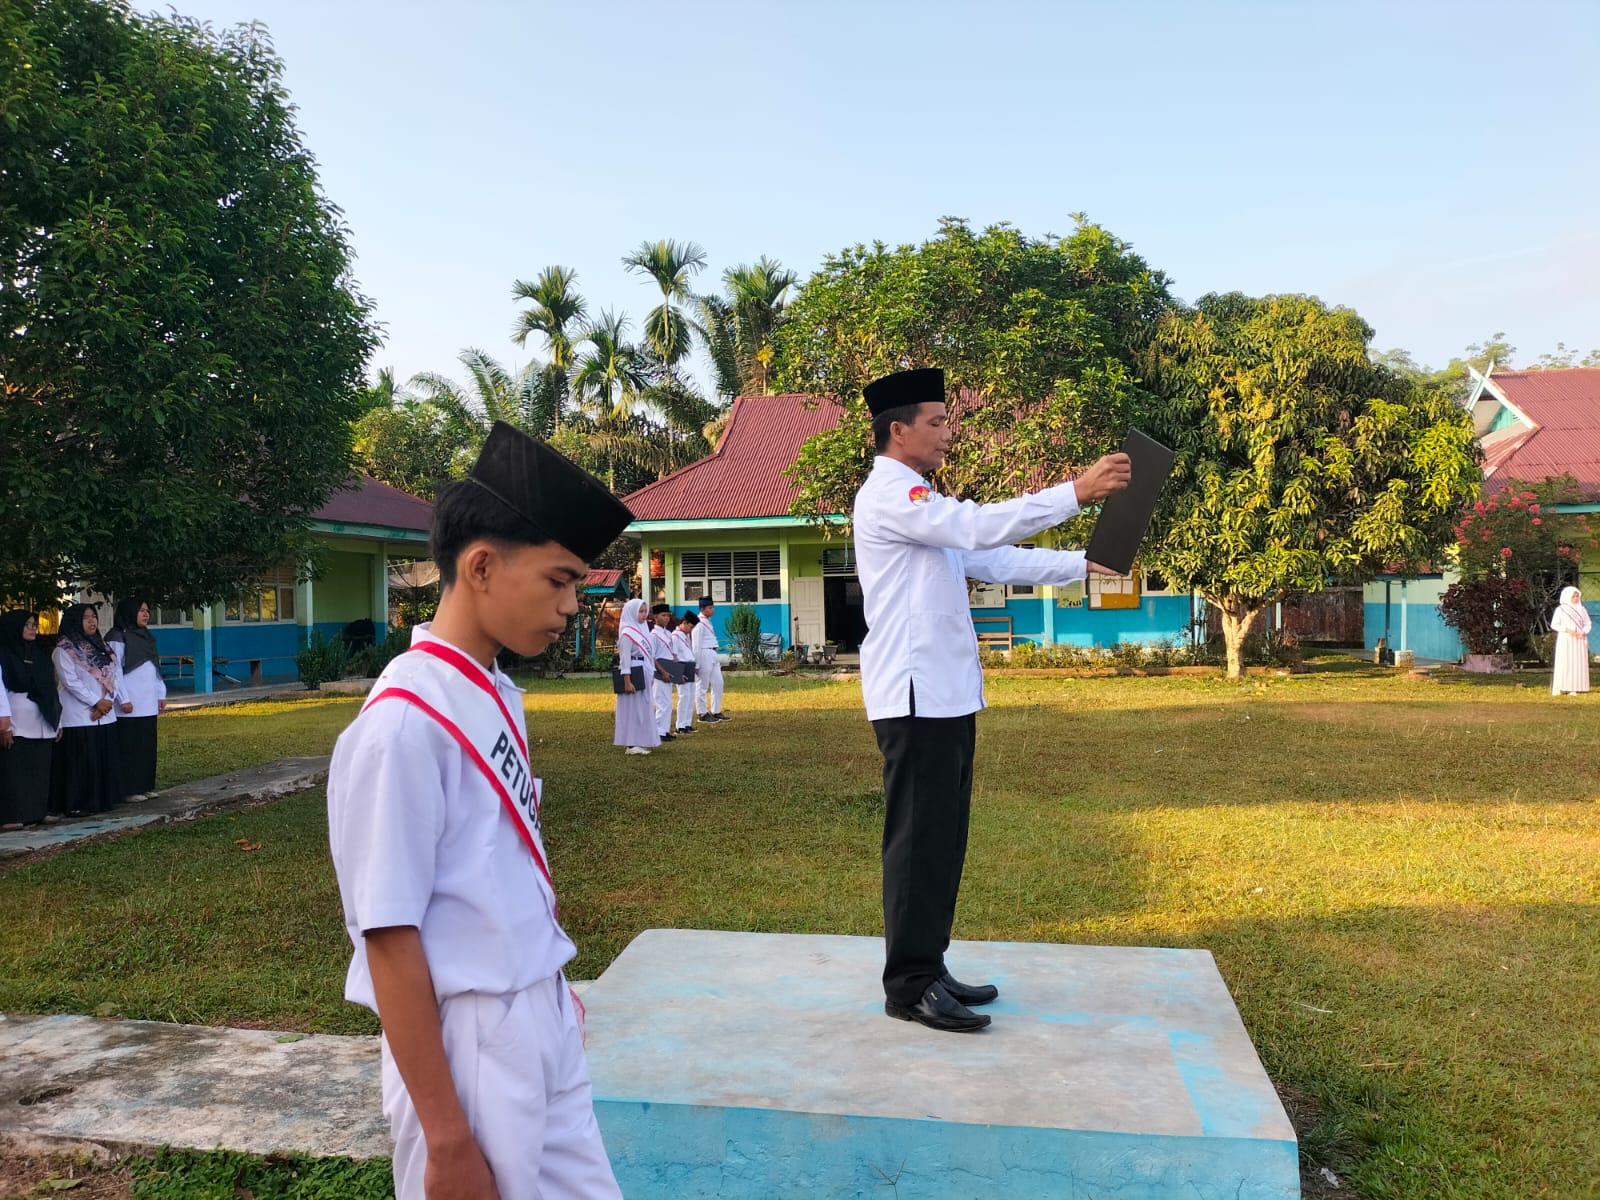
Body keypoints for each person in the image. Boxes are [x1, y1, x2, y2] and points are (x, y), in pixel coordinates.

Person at [326, 421, 632, 1200]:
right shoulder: (404, 724)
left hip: (537, 1010)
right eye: (559, 580)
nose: (571, 606)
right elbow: (388, 934)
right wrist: (447, 1137)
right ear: (483, 566)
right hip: (470, 1041)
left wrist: (548, 990)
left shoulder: (490, 690)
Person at [852, 367, 1132, 1034]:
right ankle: (908, 986)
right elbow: (979, 529)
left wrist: (1081, 565)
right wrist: (1075, 492)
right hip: (914, 696)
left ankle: (930, 964)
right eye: (937, 422)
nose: (948, 433)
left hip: (945, 696)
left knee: (943, 841)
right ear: (899, 431)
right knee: (917, 843)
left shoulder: (925, 502)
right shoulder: (890, 495)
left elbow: (995, 560)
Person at [53, 603, 125, 816]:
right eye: (86, 617)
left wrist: (106, 703)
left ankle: (102, 800)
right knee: (82, 762)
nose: (92, 621)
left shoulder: (104, 647)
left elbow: (115, 675)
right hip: (79, 715)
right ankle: (78, 804)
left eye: (94, 616)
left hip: (104, 713)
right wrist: (96, 701)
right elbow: (70, 682)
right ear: (74, 621)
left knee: (102, 760)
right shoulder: (63, 650)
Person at [0, 612, 60, 827]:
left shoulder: (38, 654)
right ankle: (13, 816)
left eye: (34, 625)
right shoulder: (4, 654)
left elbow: (50, 687)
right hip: (16, 720)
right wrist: (4, 720)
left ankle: (37, 811)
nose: (33, 628)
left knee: (39, 768)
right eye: (27, 625)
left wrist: (57, 720)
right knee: (15, 769)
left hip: (42, 719)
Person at [107, 597, 167, 800]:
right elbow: (114, 671)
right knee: (129, 746)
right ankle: (128, 790)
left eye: (147, 610)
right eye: (141, 610)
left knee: (146, 745)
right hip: (128, 703)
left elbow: (154, 667)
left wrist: (160, 693)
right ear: (130, 612)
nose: (146, 614)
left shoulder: (146, 636)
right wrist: (123, 699)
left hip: (147, 701)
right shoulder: (117, 637)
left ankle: (144, 785)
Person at [614, 598, 661, 756]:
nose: (644, 614)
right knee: (632, 709)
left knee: (642, 708)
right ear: (631, 612)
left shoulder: (643, 629)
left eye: (645, 611)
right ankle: (631, 743)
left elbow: (649, 654)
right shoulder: (627, 634)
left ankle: (640, 740)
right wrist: (627, 681)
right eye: (640, 611)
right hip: (633, 671)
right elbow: (625, 659)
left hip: (643, 668)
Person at [1550, 585, 1591, 696]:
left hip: (1579, 639)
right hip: (1566, 639)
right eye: (1574, 596)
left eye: (1577, 596)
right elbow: (1554, 625)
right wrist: (1567, 630)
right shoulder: (1561, 609)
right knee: (1564, 662)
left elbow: (1588, 623)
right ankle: (1559, 687)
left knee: (1576, 663)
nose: (1576, 598)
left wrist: (1583, 632)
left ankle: (1574, 687)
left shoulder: (1582, 609)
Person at [692, 596, 728, 722]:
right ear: (702, 609)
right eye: (709, 608)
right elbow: (696, 644)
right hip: (704, 653)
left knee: (718, 683)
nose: (712, 610)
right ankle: (702, 713)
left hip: (712, 652)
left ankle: (716, 710)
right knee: (702, 685)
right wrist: (696, 663)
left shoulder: (708, 621)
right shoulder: (698, 622)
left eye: (713, 607)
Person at [647, 604, 677, 742]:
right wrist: (663, 672)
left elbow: (671, 655)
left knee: (668, 702)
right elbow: (652, 657)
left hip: (668, 669)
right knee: (661, 702)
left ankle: (664, 730)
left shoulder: (668, 633)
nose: (666, 618)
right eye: (663, 615)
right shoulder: (653, 635)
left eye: (668, 615)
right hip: (660, 672)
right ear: (655, 617)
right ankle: (659, 731)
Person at [671, 613, 698, 735]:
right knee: (684, 696)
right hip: (682, 666)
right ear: (684, 623)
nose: (691, 630)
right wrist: (678, 672)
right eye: (690, 627)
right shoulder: (675, 636)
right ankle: (680, 725)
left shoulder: (686, 636)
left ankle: (687, 723)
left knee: (691, 696)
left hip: (689, 666)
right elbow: (674, 655)